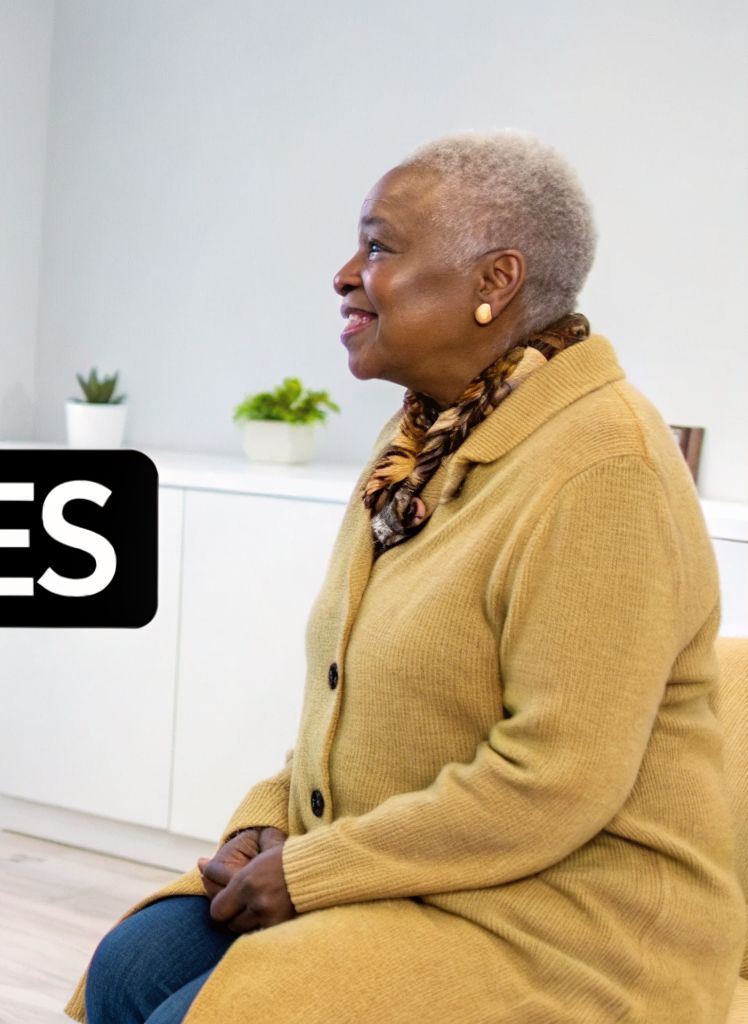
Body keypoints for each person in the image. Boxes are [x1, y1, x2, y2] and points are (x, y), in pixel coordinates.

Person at [72, 131, 744, 1022]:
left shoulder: (604, 469)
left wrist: (311, 871)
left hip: (570, 921)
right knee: (131, 965)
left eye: (379, 247)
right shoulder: (422, 440)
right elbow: (355, 701)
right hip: (417, 870)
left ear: (495, 281)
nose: (346, 274)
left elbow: (555, 781)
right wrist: (269, 819)